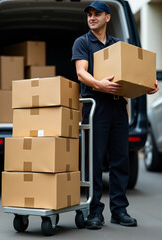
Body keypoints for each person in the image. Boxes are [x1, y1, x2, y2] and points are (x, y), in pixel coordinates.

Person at [71, 1, 159, 230]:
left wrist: (147, 84)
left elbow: (131, 74)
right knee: (95, 161)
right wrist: (99, 84)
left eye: (97, 14)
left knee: (120, 160)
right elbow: (81, 73)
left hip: (119, 107)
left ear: (107, 17)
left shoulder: (117, 46)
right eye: (89, 14)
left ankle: (119, 210)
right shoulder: (82, 42)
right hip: (96, 106)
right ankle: (94, 211)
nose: (92, 18)